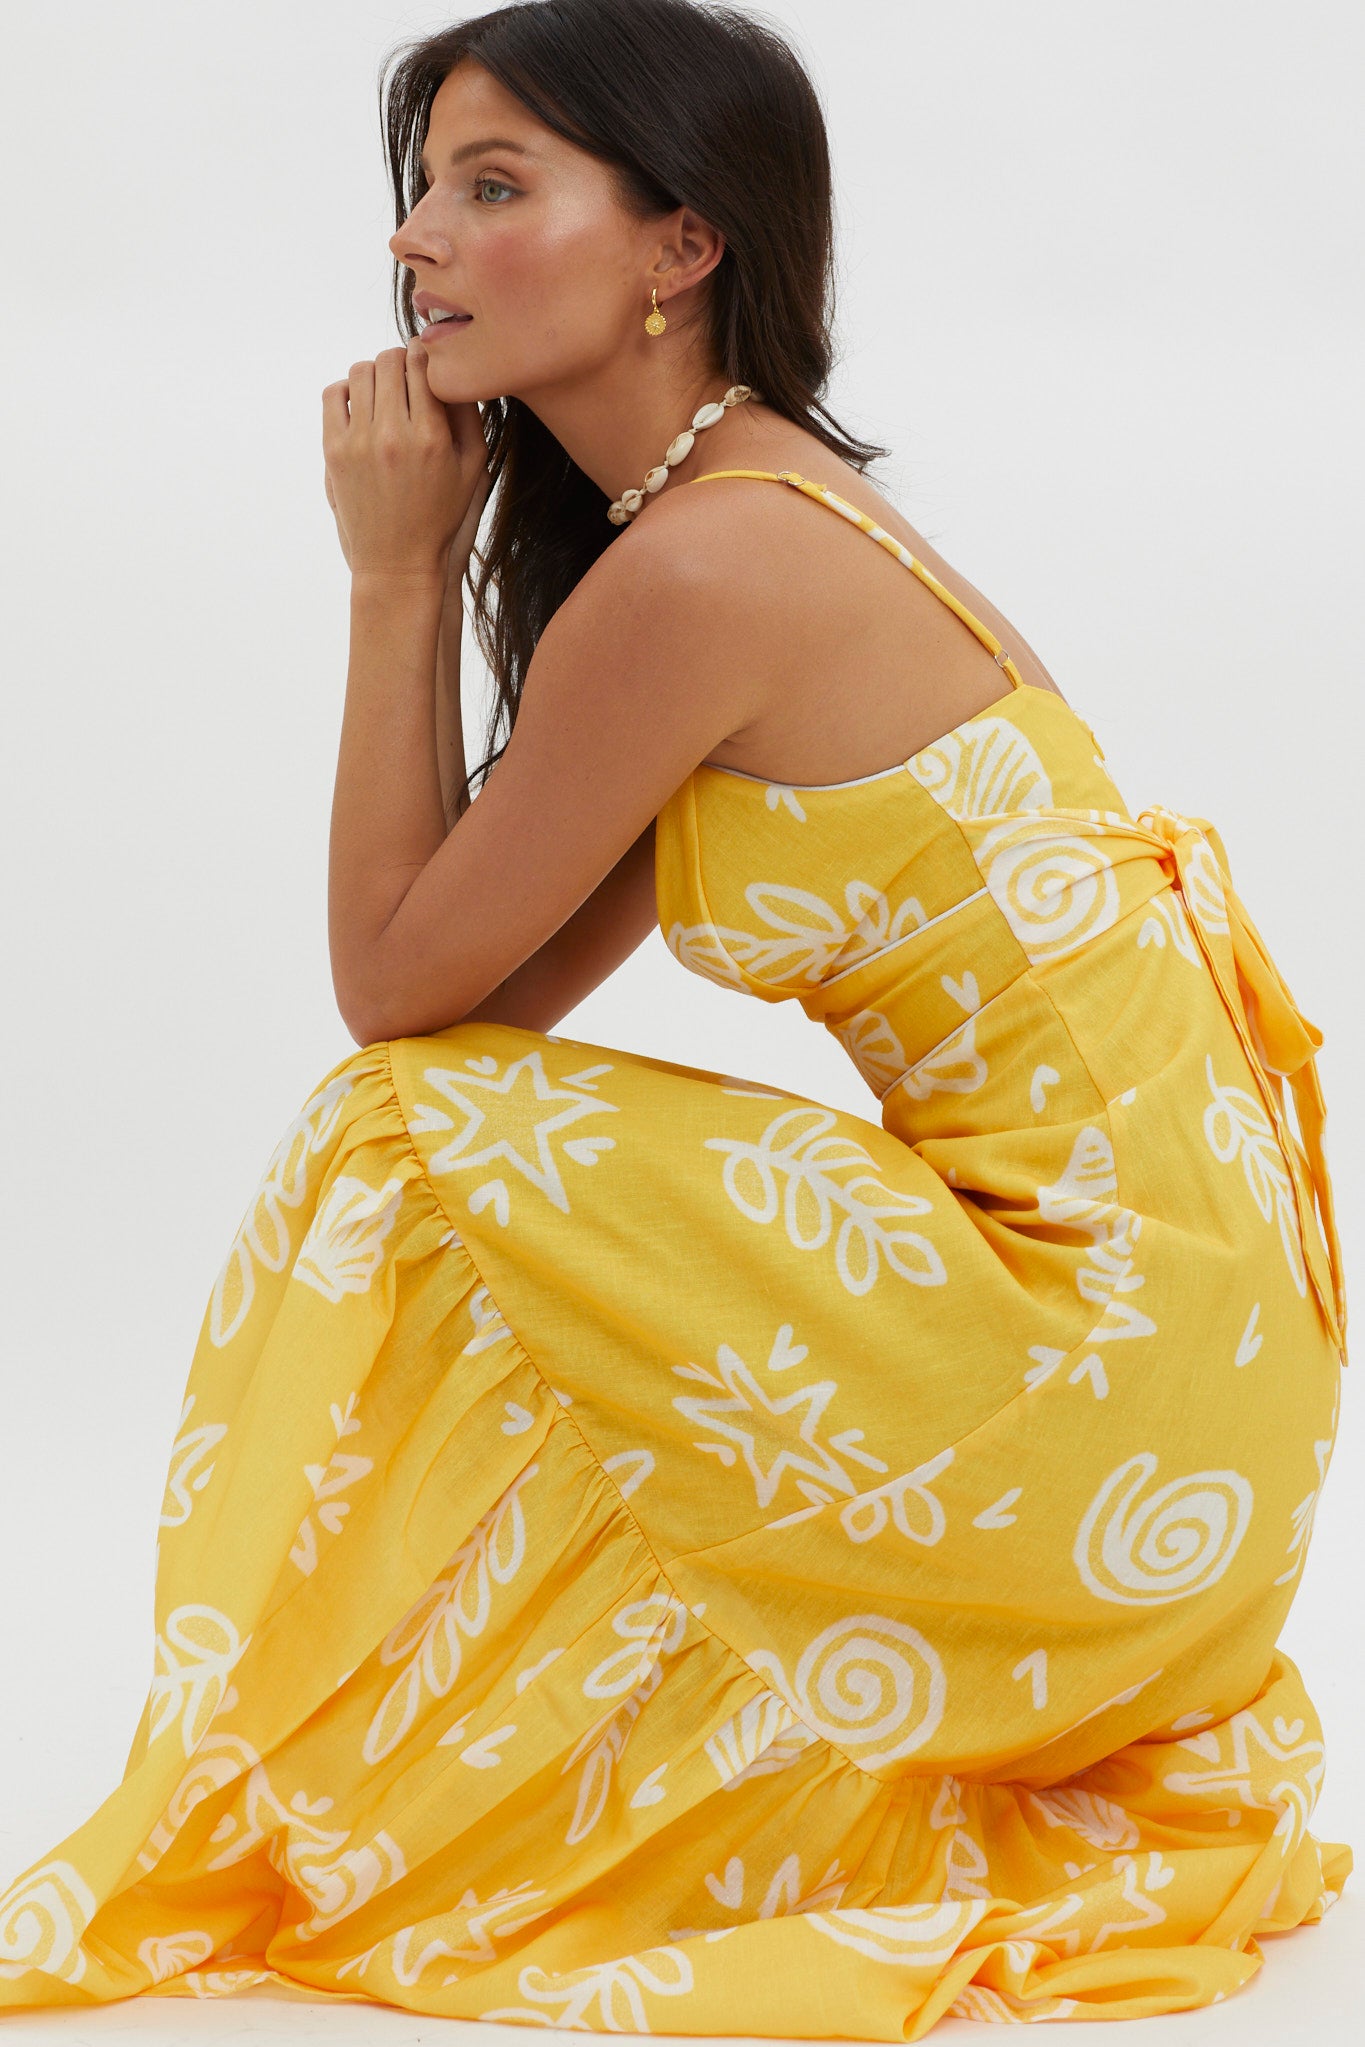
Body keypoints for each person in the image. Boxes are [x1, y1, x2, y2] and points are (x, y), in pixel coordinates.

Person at [0, 0, 1350, 2035]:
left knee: (400, 1141)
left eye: (492, 186)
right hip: (1194, 1416)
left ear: (681, 245)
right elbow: (463, 992)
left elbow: (388, 1002)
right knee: (443, 1111)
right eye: (420, 192)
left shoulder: (709, 573)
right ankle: (480, 1763)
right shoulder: (734, 532)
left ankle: (399, 1777)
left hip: (1100, 1374)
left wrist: (392, 583)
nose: (415, 242)